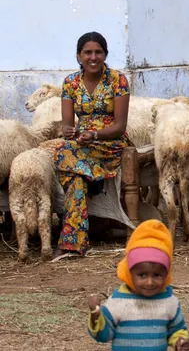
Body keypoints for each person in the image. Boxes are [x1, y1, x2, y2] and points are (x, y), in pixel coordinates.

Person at [54, 32, 131, 257]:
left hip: (110, 143)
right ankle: (92, 178)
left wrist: (95, 134)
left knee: (65, 158)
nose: (93, 57)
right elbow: (67, 127)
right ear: (79, 56)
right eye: (87, 52)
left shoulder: (118, 80)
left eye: (98, 52)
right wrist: (70, 131)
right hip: (82, 145)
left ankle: (70, 243)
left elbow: (119, 126)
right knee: (66, 158)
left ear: (105, 54)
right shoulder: (70, 83)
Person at [87, 219, 189, 350]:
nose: (149, 282)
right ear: (129, 272)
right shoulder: (118, 302)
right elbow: (103, 336)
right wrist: (96, 315)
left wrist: (180, 341)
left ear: (166, 274)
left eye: (156, 275)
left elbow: (176, 329)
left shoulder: (169, 302)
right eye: (142, 275)